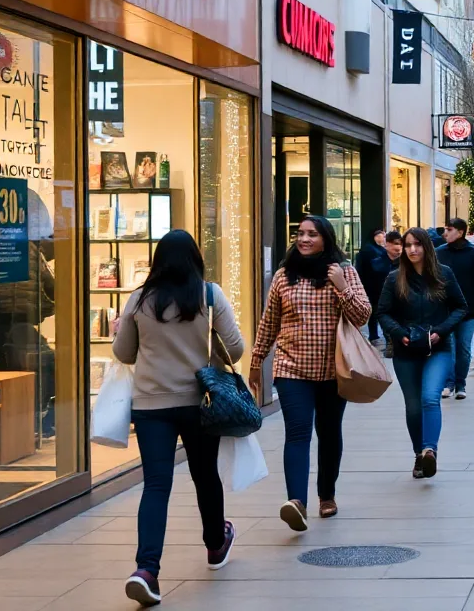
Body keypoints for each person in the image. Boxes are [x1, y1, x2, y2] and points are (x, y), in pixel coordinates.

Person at [113, 230, 243, 606]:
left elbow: (124, 353)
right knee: (205, 476)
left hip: (152, 405)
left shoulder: (139, 299)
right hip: (199, 402)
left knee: (156, 486)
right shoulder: (209, 295)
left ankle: (146, 570)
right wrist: (209, 359)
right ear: (194, 259)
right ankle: (216, 544)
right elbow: (234, 347)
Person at [250, 215, 372, 532]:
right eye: (300, 234)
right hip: (292, 370)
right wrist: (257, 358)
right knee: (298, 432)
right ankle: (297, 503)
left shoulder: (344, 271)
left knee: (329, 434)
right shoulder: (283, 276)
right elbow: (269, 321)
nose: (303, 239)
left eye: (312, 234)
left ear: (326, 239)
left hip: (336, 371)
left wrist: (342, 287)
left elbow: (362, 316)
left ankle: (327, 495)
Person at [378, 228, 468, 478]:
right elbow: (382, 312)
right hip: (406, 350)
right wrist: (399, 333)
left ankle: (430, 450)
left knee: (430, 398)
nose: (412, 249)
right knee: (414, 406)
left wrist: (441, 331)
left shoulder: (443, 274)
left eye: (417, 244)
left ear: (427, 247)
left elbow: (461, 307)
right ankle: (419, 454)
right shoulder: (395, 278)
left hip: (437, 348)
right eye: (407, 245)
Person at [437, 218, 474, 399]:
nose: (445, 233)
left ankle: (461, 384)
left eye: (449, 229)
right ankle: (449, 383)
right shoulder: (440, 253)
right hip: (445, 310)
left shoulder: (473, 254)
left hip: (467, 311)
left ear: (460, 232)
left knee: (464, 348)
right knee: (449, 347)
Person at [354, 229, 391, 346]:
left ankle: (374, 335)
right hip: (374, 285)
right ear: (376, 236)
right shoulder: (371, 250)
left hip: (373, 285)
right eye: (382, 235)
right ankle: (381, 336)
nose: (384, 238)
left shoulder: (373, 249)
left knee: (375, 311)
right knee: (378, 311)